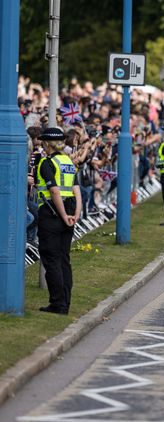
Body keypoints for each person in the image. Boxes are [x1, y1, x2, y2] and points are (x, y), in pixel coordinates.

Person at [36, 127, 82, 315]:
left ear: (47, 144)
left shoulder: (47, 162)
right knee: (64, 258)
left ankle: (58, 304)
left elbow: (54, 190)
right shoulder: (68, 163)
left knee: (52, 258)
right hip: (70, 212)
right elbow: (76, 189)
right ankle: (66, 302)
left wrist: (62, 214)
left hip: (52, 213)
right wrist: (76, 213)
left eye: (42, 142)